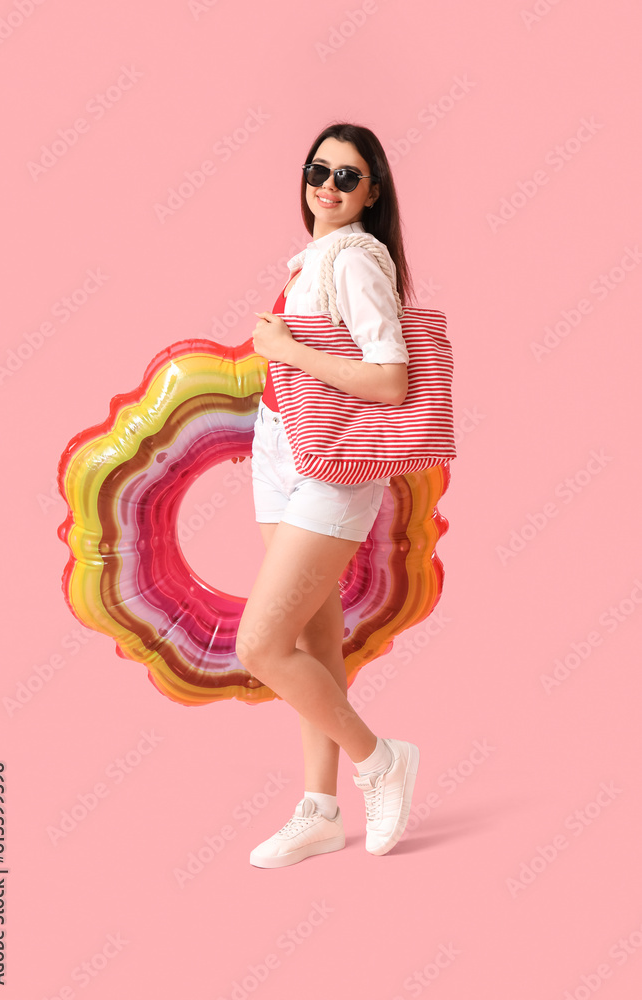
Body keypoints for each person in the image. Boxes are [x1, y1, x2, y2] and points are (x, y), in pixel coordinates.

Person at [235, 121, 420, 869]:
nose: (328, 186)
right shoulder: (315, 255)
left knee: (260, 645)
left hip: (333, 466)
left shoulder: (353, 258)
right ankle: (319, 808)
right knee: (312, 638)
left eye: (348, 176)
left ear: (372, 192)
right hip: (279, 447)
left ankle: (380, 760)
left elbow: (391, 379)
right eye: (319, 169)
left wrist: (284, 348)